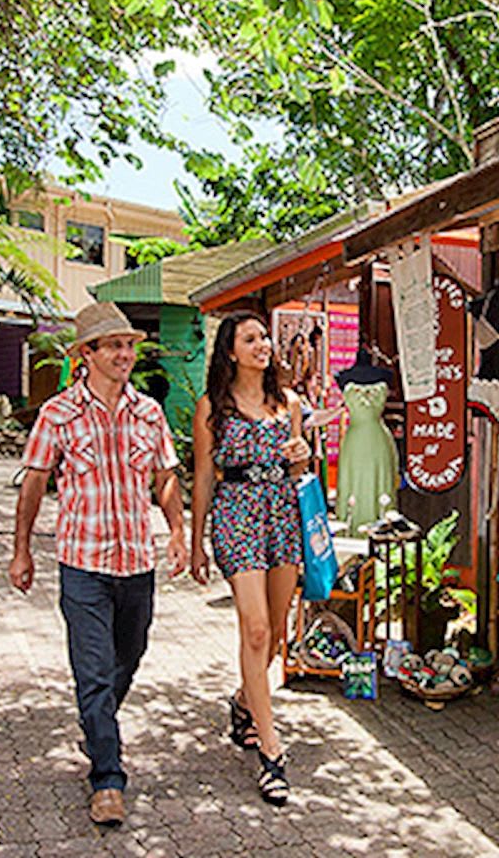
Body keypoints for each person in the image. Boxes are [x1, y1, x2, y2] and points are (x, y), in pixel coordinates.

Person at [9, 302, 188, 828]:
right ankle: (107, 779)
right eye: (113, 346)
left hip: (136, 561)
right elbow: (34, 483)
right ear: (87, 354)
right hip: (82, 563)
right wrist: (21, 549)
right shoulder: (58, 414)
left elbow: (166, 477)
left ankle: (96, 723)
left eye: (129, 345)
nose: (125, 354)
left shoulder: (149, 413)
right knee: (92, 671)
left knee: (128, 656)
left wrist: (177, 531)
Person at [190, 312, 310, 804]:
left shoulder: (290, 403)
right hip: (236, 514)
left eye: (264, 337)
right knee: (255, 629)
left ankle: (244, 703)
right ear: (230, 351)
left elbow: (298, 469)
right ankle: (271, 751)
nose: (263, 344)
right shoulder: (211, 408)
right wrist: (195, 541)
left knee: (276, 634)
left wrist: (302, 454)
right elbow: (202, 476)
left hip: (282, 514)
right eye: (250, 338)